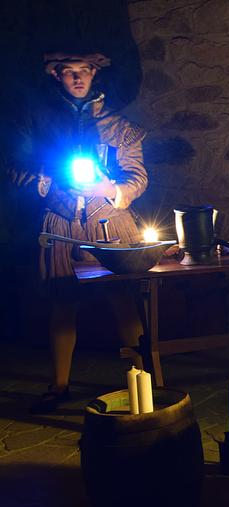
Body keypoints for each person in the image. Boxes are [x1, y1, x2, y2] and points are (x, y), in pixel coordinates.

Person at [6, 51, 148, 412]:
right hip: (60, 221)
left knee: (123, 299)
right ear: (57, 76)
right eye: (69, 72)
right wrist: (46, 177)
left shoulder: (118, 125)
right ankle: (59, 385)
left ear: (94, 73)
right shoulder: (40, 122)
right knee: (63, 302)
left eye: (84, 70)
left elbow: (137, 176)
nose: (78, 78)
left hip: (109, 221)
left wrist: (109, 188)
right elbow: (13, 168)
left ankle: (145, 381)